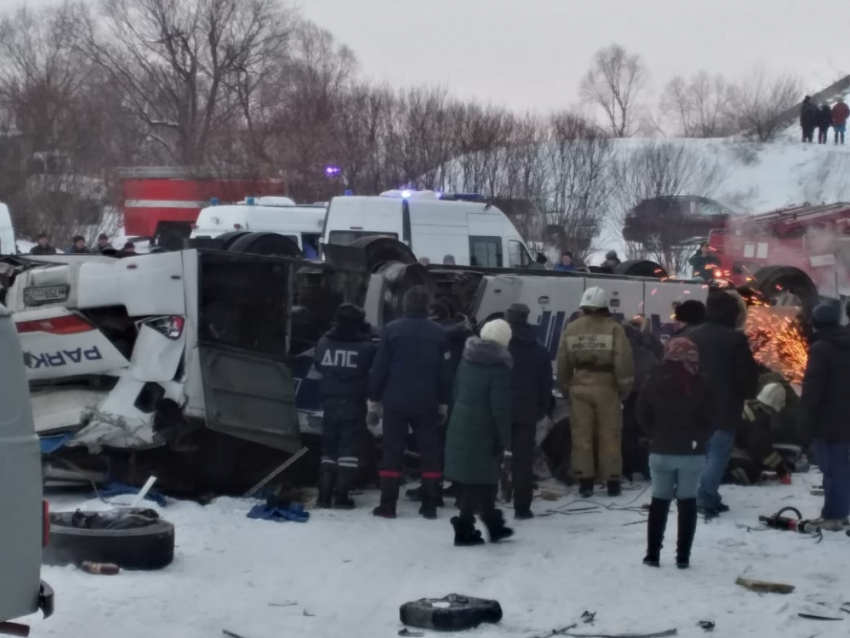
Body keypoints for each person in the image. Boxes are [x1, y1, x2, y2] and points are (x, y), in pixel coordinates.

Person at [369, 286, 451, 519]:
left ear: (405, 305)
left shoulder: (392, 330)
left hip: (395, 401)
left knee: (392, 451)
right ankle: (430, 504)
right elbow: (445, 373)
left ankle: (387, 506)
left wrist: (374, 401)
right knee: (430, 453)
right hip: (427, 402)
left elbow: (379, 369)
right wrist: (443, 403)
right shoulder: (439, 333)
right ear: (426, 307)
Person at [637, 337, 712, 569]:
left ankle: (652, 554)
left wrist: (653, 435)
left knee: (659, 501)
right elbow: (712, 417)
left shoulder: (652, 379)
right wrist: (699, 438)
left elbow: (641, 414)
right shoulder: (702, 382)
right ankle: (683, 556)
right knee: (687, 503)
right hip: (692, 453)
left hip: (660, 450)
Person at [557, 286, 634, 498]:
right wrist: (624, 389)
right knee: (610, 434)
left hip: (579, 385)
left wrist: (566, 389)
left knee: (581, 436)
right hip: (607, 386)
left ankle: (585, 482)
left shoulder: (572, 328)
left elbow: (563, 364)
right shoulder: (614, 328)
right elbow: (623, 362)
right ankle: (612, 482)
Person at [688, 291, 759, 517]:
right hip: (724, 405)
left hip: (694, 404)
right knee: (718, 454)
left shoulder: (691, 334)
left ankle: (705, 493)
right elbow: (745, 374)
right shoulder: (735, 338)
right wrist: (749, 392)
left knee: (702, 454)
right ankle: (705, 497)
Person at [444, 319, 514, 546]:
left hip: (461, 425)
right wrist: (505, 439)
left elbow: (455, 393)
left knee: (477, 481)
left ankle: (492, 525)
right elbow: (500, 409)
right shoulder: (499, 368)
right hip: (484, 432)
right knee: (480, 482)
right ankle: (465, 529)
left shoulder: (467, 359)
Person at [405, 301, 473, 504]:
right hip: (462, 396)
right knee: (459, 444)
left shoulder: (433, 336)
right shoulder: (466, 335)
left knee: (433, 445)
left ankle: (432, 486)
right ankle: (459, 485)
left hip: (437, 396)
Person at [313, 304, 377, 509]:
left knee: (328, 449)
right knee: (349, 451)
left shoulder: (323, 342)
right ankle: (341, 496)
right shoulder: (366, 347)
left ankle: (323, 496)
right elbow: (372, 371)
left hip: (329, 401)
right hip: (353, 403)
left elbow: (319, 365)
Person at [800, 303, 850, 531]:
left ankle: (834, 515)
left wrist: (804, 423)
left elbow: (813, 389)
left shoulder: (820, 348)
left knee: (833, 469)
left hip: (829, 421)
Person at [505, 303, 553, 519]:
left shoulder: (499, 344)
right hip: (527, 411)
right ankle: (522, 507)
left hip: (500, 409)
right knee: (523, 461)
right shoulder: (538, 347)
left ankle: (486, 500)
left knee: (491, 453)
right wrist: (541, 408)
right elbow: (545, 383)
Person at [621, 315, 664, 480]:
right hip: (653, 385)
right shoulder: (650, 338)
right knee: (650, 428)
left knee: (628, 429)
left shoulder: (622, 339)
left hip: (632, 389)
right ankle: (648, 466)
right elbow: (662, 355)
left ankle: (629, 468)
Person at [727, 383, 791, 486]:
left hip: (728, 451)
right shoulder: (757, 419)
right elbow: (762, 448)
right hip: (732, 455)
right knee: (750, 475)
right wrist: (781, 470)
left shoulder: (750, 408)